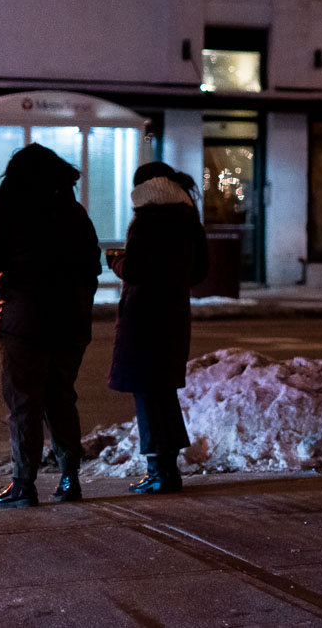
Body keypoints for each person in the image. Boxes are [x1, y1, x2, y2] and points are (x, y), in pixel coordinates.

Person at [0, 144, 102, 508]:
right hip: (71, 323)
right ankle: (70, 478)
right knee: (60, 398)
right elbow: (93, 269)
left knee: (24, 403)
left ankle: (24, 484)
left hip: (24, 322)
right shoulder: (74, 213)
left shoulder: (7, 211)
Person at [109, 161, 208, 494]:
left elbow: (135, 269)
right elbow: (199, 271)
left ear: (143, 188)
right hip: (173, 316)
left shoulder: (148, 219)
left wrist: (116, 262)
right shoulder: (187, 217)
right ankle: (169, 469)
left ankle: (158, 472)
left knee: (148, 395)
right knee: (163, 393)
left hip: (144, 319)